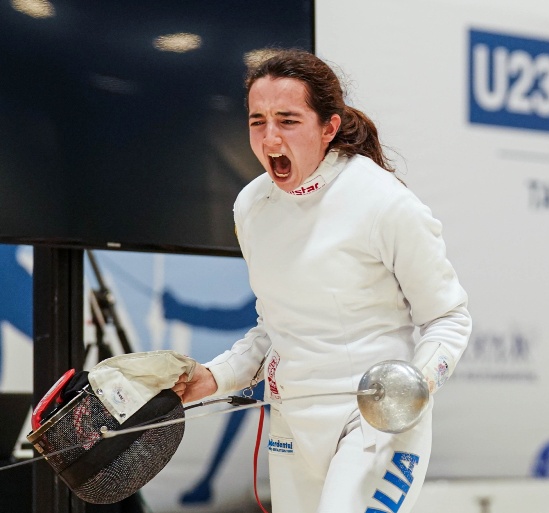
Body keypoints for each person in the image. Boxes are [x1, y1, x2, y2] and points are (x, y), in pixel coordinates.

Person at [172, 48, 471, 513]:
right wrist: (213, 377)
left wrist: (414, 387)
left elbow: (449, 318)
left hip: (376, 420)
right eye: (257, 121)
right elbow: (274, 331)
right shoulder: (252, 207)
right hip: (292, 423)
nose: (270, 138)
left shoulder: (383, 203)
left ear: (328, 127)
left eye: (288, 120)